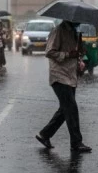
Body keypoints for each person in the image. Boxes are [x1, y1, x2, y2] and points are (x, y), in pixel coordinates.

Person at [36, 19, 92, 153]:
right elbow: (49, 51)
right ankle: (76, 143)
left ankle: (45, 135)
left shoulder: (74, 32)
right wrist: (68, 54)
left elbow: (75, 53)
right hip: (59, 76)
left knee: (64, 110)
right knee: (71, 108)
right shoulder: (58, 31)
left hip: (71, 75)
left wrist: (80, 54)